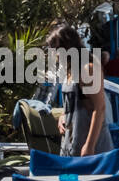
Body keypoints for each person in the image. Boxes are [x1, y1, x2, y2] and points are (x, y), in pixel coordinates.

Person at [46, 24, 113, 157]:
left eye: (56, 49)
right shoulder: (70, 71)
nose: (54, 54)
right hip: (72, 144)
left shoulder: (88, 69)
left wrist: (90, 145)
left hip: (91, 148)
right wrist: (63, 116)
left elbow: (99, 108)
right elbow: (73, 103)